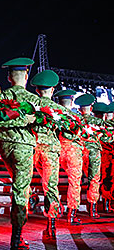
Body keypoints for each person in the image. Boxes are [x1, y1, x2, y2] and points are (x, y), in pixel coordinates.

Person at [0, 58, 38, 250]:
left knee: (17, 184)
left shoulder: (1, 96)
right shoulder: (34, 100)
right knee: (21, 190)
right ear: (26, 76)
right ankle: (17, 238)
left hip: (5, 147)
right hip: (23, 147)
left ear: (9, 77)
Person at [30, 70, 62, 240]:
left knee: (23, 179)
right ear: (52, 90)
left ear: (37, 90)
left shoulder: (31, 105)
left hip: (33, 147)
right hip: (50, 151)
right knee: (51, 186)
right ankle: (51, 224)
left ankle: (30, 197)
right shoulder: (59, 109)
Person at [54, 89, 84, 225]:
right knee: (74, 182)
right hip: (73, 151)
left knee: (50, 182)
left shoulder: (53, 113)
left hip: (57, 149)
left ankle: (56, 208)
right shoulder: (76, 116)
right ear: (71, 101)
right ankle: (72, 214)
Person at [75, 93, 104, 218]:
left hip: (79, 151)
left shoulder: (76, 120)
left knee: (75, 180)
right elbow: (107, 137)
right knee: (94, 179)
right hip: (94, 152)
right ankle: (92, 208)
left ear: (79, 109)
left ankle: (74, 211)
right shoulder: (98, 122)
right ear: (91, 108)